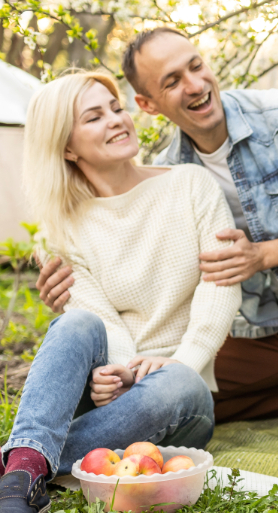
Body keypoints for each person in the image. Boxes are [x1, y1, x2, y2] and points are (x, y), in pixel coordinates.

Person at [34, 28, 278, 442]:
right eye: (172, 81)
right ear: (147, 104)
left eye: (195, 66)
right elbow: (152, 286)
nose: (195, 85)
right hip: (269, 328)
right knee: (175, 393)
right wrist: (73, 301)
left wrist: (264, 254)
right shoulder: (173, 173)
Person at [0, 71, 241, 513]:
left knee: (179, 382)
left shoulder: (190, 185)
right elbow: (99, 319)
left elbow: (220, 285)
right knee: (75, 322)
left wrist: (177, 362)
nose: (117, 120)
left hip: (179, 395)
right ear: (67, 147)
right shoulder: (59, 227)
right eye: (95, 116)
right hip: (103, 392)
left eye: (115, 108)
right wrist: (118, 373)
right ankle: (24, 476)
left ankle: (22, 462)